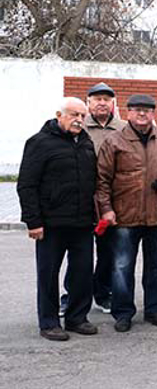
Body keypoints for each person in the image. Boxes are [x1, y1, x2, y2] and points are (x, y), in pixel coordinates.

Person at [96, 94, 157, 332]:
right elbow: (102, 180)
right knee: (123, 266)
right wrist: (106, 209)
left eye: (147, 110)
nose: (142, 114)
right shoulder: (114, 141)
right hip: (125, 216)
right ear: (128, 113)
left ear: (153, 114)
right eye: (137, 110)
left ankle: (155, 309)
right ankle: (123, 312)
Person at [18, 98, 98, 341]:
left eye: (83, 116)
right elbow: (27, 185)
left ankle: (76, 317)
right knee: (48, 273)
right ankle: (49, 322)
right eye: (74, 115)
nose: (79, 120)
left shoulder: (85, 142)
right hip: (51, 224)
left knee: (82, 272)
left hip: (82, 222)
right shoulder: (39, 143)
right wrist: (33, 222)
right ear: (59, 115)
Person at [82, 82, 126, 315]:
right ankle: (74, 295)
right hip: (82, 200)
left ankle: (103, 292)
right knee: (80, 254)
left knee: (108, 252)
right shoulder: (80, 126)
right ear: (88, 102)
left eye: (106, 99)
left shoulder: (124, 128)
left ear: (113, 104)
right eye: (97, 98)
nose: (102, 102)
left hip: (111, 201)